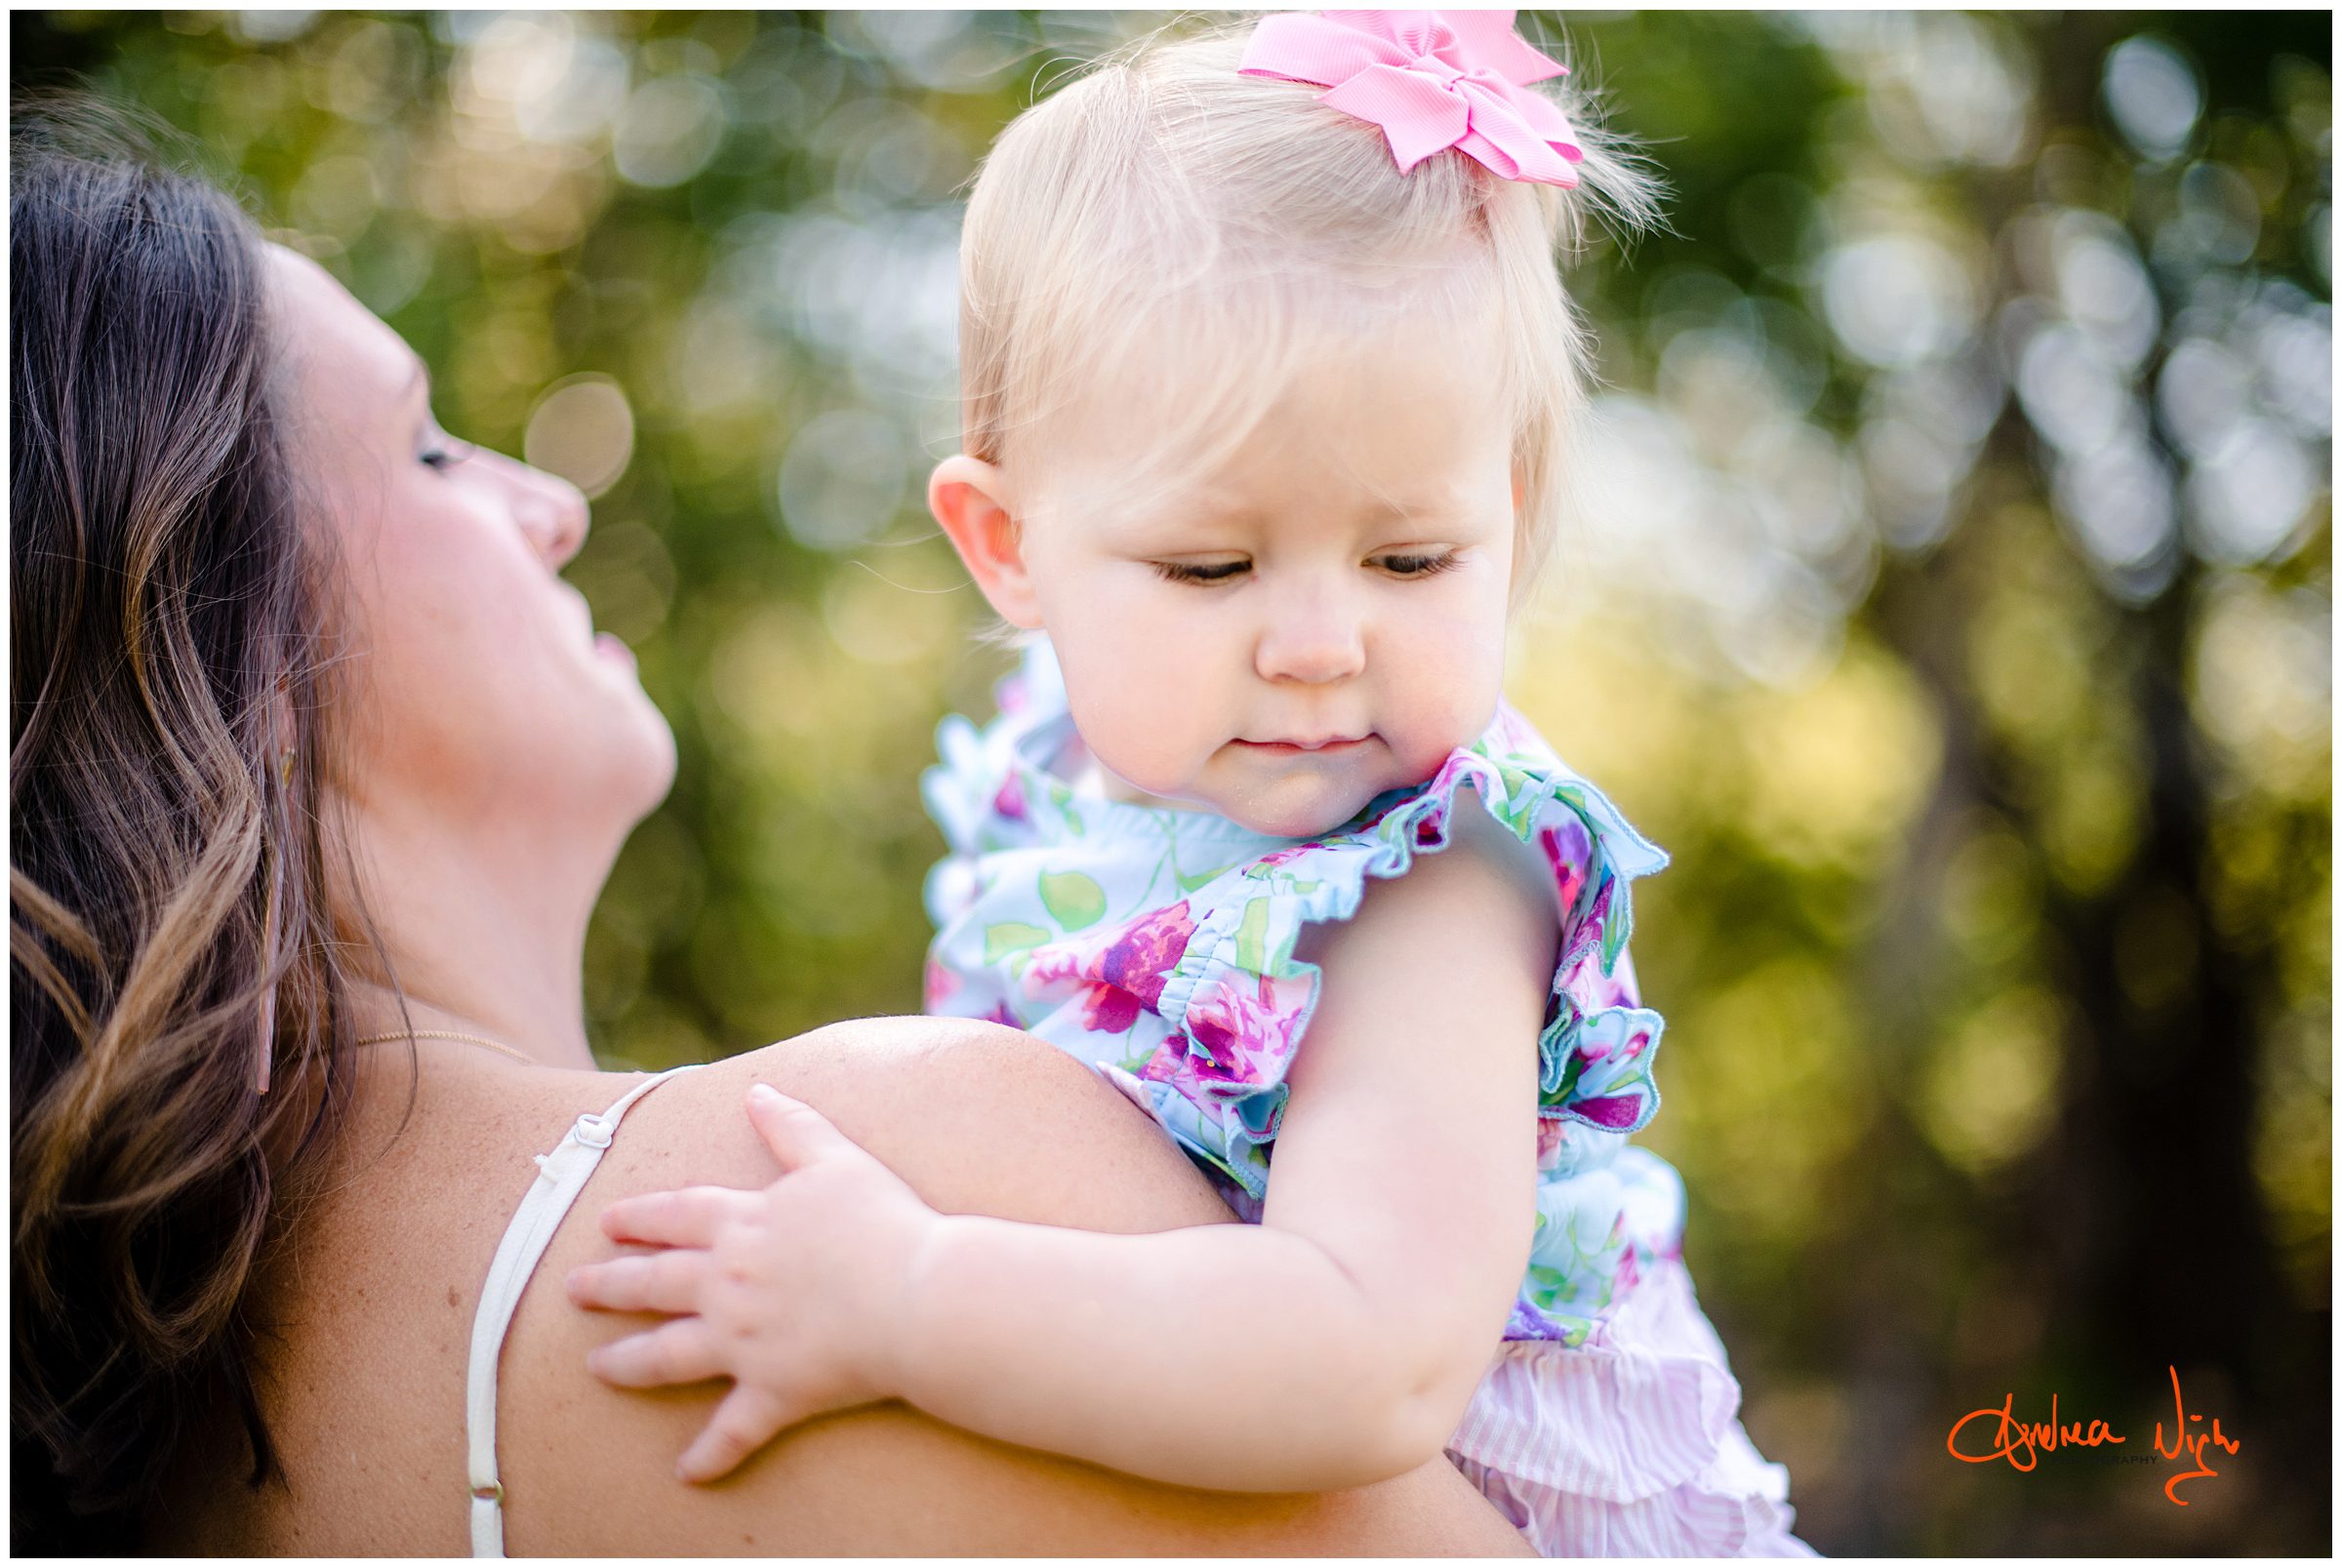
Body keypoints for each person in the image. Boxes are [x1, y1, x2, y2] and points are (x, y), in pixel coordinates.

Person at [6, 105, 1539, 1554]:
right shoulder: (877, 1174)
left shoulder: (158, 1410)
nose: (550, 499)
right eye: (424, 449)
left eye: (1407, 556)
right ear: (226, 635)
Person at [565, 12, 1818, 1556]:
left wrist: (904, 1296)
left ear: (1508, 515)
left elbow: (1363, 1359)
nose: (1314, 643)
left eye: (1410, 557)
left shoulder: (1431, 879)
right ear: (1010, 548)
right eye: (1210, 564)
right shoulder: (1059, 780)